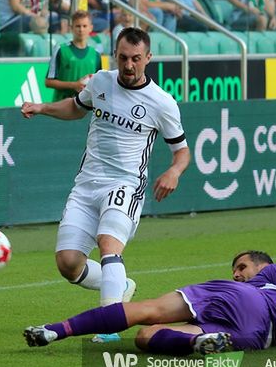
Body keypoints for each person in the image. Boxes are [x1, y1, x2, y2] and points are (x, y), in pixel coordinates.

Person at [21, 27, 190, 343]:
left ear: (148, 58)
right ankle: (121, 285)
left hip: (125, 185)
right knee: (68, 264)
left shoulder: (161, 102)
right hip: (86, 185)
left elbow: (182, 150)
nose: (129, 65)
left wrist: (175, 171)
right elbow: (76, 107)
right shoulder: (100, 82)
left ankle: (110, 325)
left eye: (136, 59)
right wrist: (42, 108)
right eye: (124, 58)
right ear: (116, 54)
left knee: (108, 244)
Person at [24, 250, 276, 355]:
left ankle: (56, 330)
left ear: (261, 265)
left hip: (246, 302)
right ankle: (197, 344)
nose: (236, 273)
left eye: (242, 267)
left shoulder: (272, 272)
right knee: (146, 338)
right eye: (234, 270)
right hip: (252, 337)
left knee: (149, 310)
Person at [45, 10, 102, 101]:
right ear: (71, 28)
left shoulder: (96, 55)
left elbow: (99, 84)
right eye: (78, 26)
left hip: (86, 109)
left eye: (84, 26)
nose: (81, 29)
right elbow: (48, 82)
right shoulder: (61, 50)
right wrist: (74, 85)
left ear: (90, 28)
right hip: (61, 106)